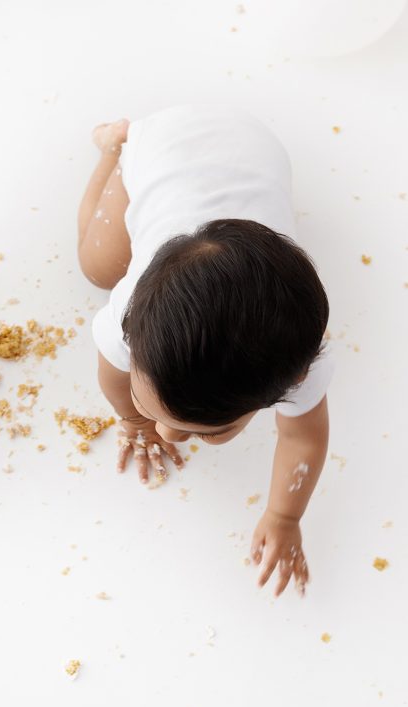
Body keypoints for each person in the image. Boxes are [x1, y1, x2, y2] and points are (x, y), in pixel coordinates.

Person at [76, 105, 334, 598]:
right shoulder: (127, 317)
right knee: (98, 266)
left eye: (211, 432)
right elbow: (112, 376)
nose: (168, 433)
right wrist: (132, 420)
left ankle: (121, 144)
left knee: (98, 267)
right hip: (165, 147)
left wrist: (284, 516)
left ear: (291, 383)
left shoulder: (302, 362)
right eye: (155, 412)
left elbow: (304, 441)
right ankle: (118, 144)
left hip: (254, 142)